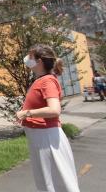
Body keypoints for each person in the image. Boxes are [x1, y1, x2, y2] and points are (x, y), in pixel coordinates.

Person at [17, 44, 80, 192]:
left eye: (30, 57)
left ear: (39, 62)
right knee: (47, 182)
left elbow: (54, 109)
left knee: (57, 183)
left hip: (46, 138)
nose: (27, 59)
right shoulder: (42, 80)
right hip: (41, 138)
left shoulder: (47, 81)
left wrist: (26, 113)